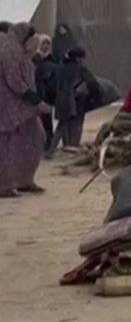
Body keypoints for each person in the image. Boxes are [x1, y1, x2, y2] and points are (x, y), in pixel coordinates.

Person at [0, 23, 51, 198]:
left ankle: (24, 180)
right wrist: (36, 100)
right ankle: (4, 185)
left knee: (35, 139)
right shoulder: (10, 52)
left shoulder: (18, 51)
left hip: (23, 107)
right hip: (9, 106)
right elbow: (14, 81)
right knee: (7, 147)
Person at [49, 47, 102, 152]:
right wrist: (94, 96)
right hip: (75, 100)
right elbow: (92, 83)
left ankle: (55, 148)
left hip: (60, 100)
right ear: (78, 58)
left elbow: (52, 84)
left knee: (62, 124)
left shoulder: (60, 68)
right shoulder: (80, 68)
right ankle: (72, 146)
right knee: (76, 123)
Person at [32, 34, 57, 149]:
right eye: (43, 43)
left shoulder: (52, 58)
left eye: (48, 44)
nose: (46, 46)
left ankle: (49, 144)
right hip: (37, 94)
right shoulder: (34, 59)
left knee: (47, 120)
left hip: (48, 94)